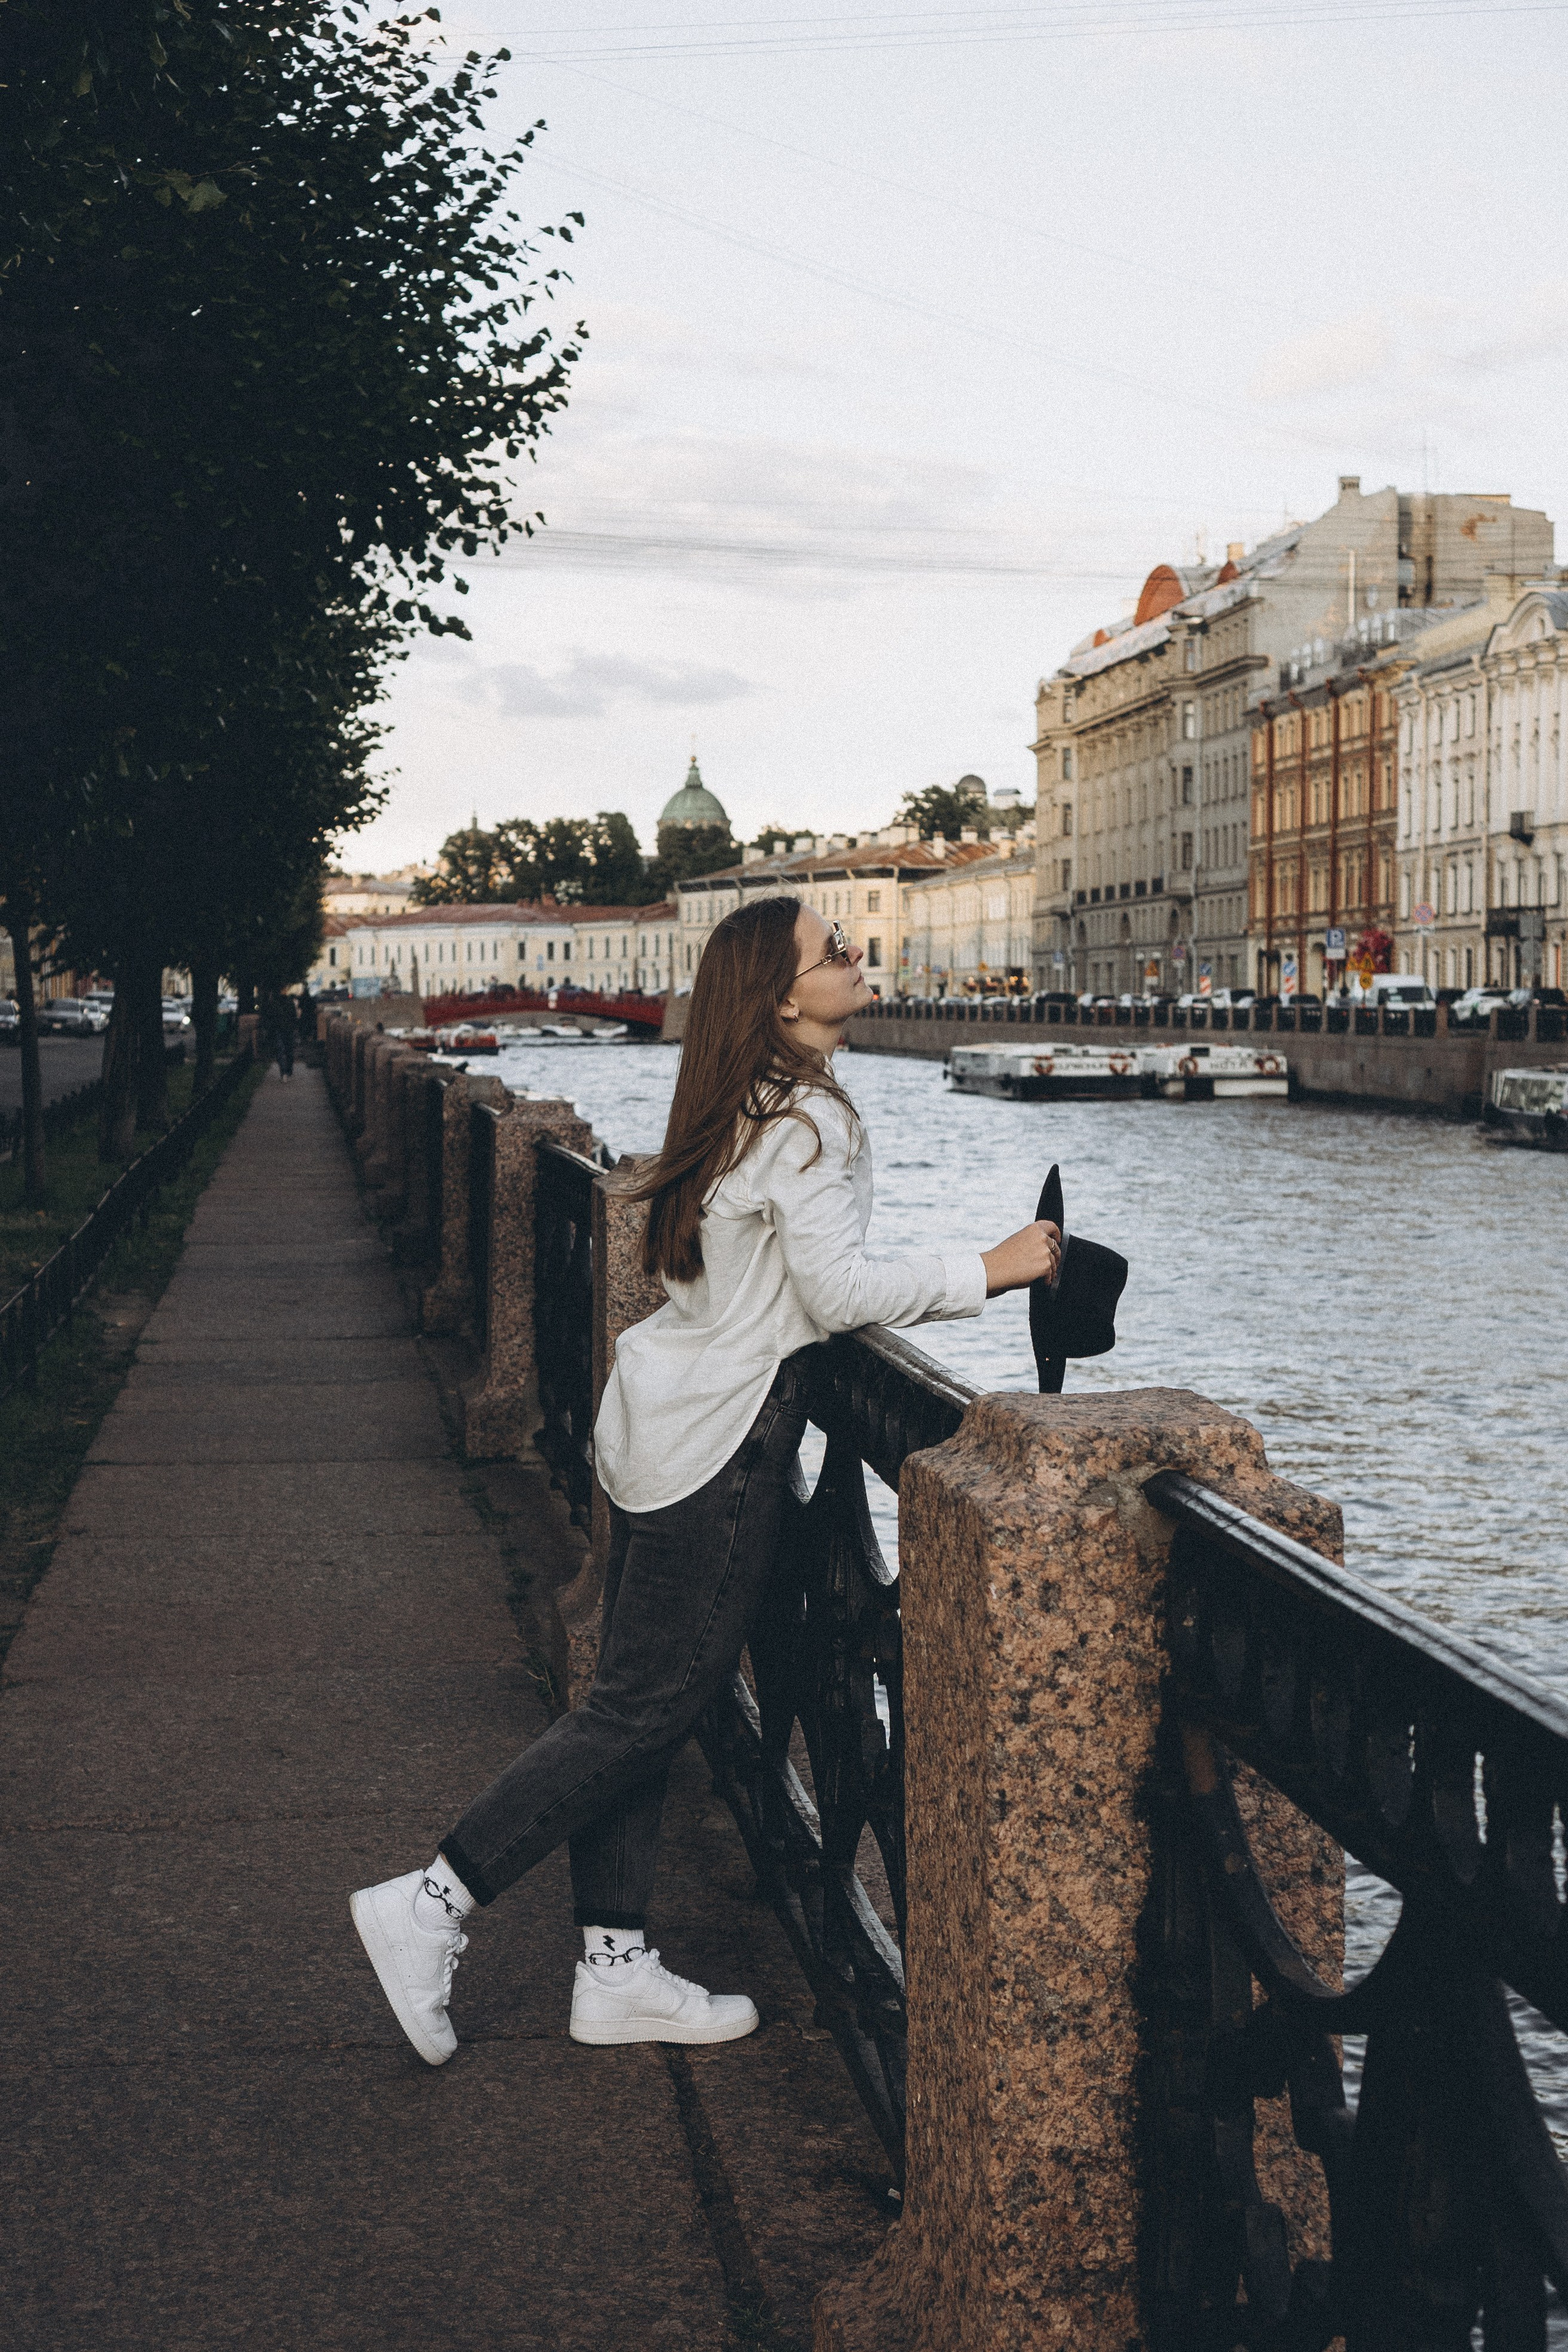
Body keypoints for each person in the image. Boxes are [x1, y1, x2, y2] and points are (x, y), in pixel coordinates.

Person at [349, 896, 1061, 2064]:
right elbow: (835, 1295)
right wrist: (992, 1267)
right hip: (723, 1441)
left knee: (635, 1706)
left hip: (658, 1421)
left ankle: (615, 1967)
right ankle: (431, 1903)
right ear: (781, 1001)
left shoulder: (735, 1103)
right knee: (642, 1710)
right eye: (833, 951)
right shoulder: (808, 1119)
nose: (856, 958)